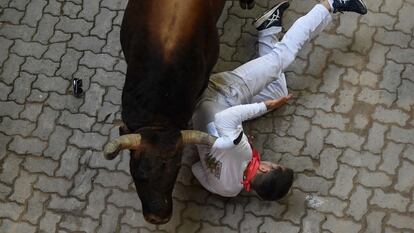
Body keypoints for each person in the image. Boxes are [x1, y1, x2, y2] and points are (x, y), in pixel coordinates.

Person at [191, 0, 367, 200]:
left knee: (282, 58)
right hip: (200, 115)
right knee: (277, 90)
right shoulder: (229, 190)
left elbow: (225, 119)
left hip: (221, 92)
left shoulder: (240, 147)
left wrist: (265, 106)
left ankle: (331, 5)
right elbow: (197, 169)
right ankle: (268, 28)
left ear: (266, 169)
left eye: (275, 163)